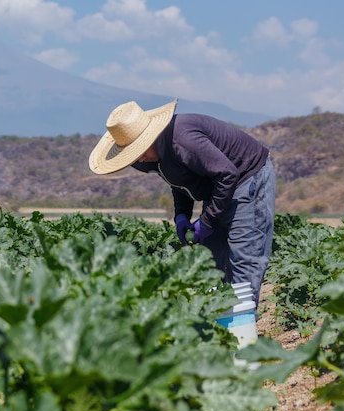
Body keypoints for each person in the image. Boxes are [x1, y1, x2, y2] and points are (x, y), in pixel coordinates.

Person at [88, 99, 276, 312]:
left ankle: (243, 331)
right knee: (210, 261)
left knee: (244, 257)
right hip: (220, 186)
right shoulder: (145, 159)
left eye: (138, 150)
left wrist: (207, 221)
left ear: (151, 136)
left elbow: (227, 174)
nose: (139, 159)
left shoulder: (183, 141)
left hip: (246, 176)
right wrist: (181, 215)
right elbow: (179, 181)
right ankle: (220, 327)